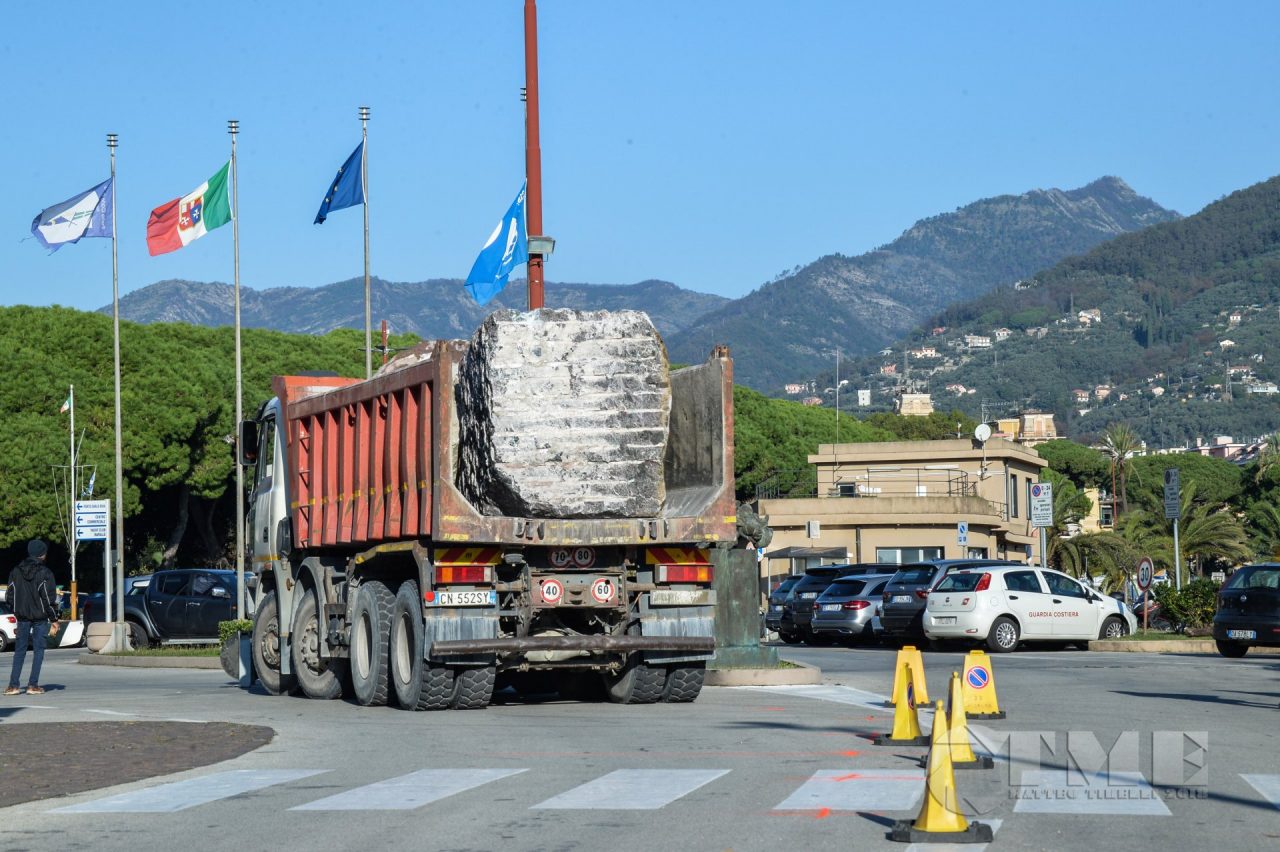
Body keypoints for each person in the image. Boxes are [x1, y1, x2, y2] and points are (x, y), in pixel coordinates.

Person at [6, 539, 60, 696]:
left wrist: (16, 610)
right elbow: (48, 600)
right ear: (43, 554)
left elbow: (10, 595)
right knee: (38, 651)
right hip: (40, 618)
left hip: (22, 617)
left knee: (19, 651)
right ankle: (33, 685)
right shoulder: (46, 573)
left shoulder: (15, 571)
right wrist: (54, 619)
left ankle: (13, 685)